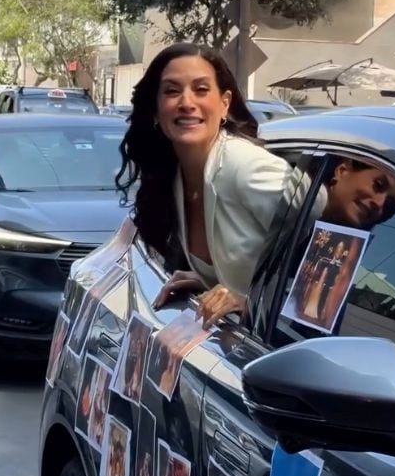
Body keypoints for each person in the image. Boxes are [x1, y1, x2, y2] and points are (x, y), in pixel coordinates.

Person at [115, 43, 324, 328]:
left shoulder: (244, 166)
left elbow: (325, 236)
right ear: (155, 109)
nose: (187, 102)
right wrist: (211, 279)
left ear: (224, 103)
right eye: (172, 91)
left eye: (201, 90)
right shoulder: (177, 175)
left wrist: (248, 301)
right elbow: (254, 261)